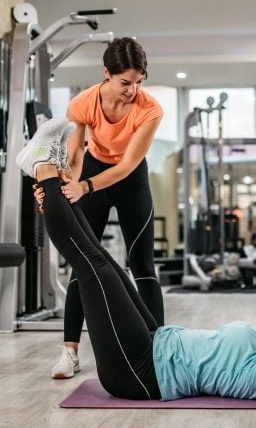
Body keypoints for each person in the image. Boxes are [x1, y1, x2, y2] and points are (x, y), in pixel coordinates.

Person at [17, 121, 256, 401]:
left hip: (139, 373)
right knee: (108, 264)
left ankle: (44, 169)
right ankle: (54, 187)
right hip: (153, 344)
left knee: (93, 267)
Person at [33, 38, 164, 379]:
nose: (132, 90)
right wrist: (69, 187)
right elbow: (75, 155)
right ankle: (70, 353)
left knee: (142, 264)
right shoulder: (84, 102)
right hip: (91, 171)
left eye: (138, 82)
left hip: (131, 180)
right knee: (83, 262)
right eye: (125, 82)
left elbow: (127, 165)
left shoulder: (150, 109)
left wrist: (85, 187)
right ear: (107, 74)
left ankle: (161, 348)